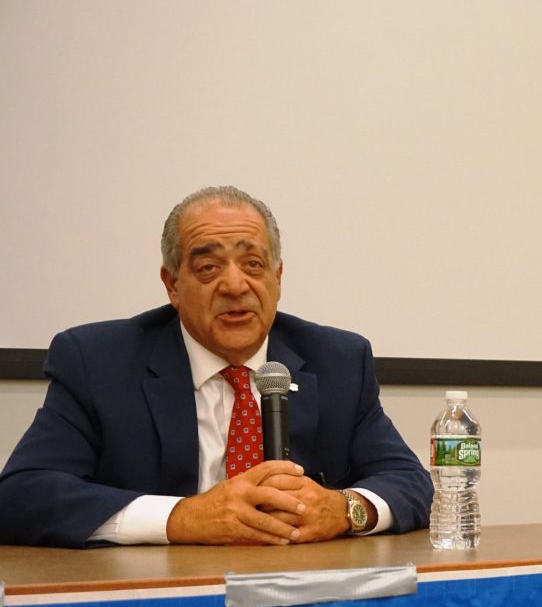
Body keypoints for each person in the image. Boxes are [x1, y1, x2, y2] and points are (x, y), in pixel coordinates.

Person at [0, 186, 433, 548]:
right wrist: (183, 517)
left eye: (253, 265)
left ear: (277, 277)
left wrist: (345, 509)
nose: (234, 284)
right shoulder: (97, 361)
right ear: (172, 284)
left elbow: (410, 482)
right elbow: (22, 495)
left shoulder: (338, 359)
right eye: (208, 267)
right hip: (159, 605)